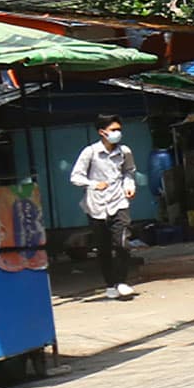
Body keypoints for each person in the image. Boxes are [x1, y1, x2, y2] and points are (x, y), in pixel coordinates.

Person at [70, 115, 139, 300]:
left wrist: (129, 186)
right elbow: (75, 177)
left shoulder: (124, 151)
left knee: (123, 243)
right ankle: (110, 284)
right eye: (114, 130)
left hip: (119, 203)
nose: (118, 133)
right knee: (104, 248)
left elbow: (129, 172)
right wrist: (93, 184)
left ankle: (122, 281)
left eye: (119, 129)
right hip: (97, 206)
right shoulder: (90, 152)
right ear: (102, 132)